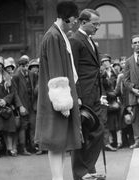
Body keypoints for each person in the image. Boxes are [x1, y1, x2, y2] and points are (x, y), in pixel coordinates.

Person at [34, 2, 81, 180]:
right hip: (57, 100)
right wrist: (63, 103)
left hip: (60, 98)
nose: (76, 21)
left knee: (60, 141)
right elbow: (56, 72)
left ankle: (59, 178)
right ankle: (57, 178)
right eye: (74, 17)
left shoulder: (58, 35)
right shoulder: (53, 36)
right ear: (67, 16)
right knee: (55, 141)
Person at [68, 9, 104, 180]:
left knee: (95, 132)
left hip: (94, 95)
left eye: (98, 24)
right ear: (83, 22)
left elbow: (95, 70)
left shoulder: (89, 40)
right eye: (95, 24)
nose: (98, 27)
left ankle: (89, 169)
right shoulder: (75, 40)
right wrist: (77, 96)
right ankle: (80, 173)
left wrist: (101, 93)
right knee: (82, 135)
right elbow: (72, 71)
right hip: (83, 96)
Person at [12, 55, 38, 155]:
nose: (25, 67)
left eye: (26, 65)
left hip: (32, 104)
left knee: (33, 125)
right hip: (22, 104)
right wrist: (20, 106)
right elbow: (15, 93)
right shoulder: (16, 76)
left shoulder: (32, 74)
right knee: (23, 127)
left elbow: (36, 87)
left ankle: (34, 146)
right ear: (19, 66)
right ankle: (22, 149)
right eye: (22, 65)